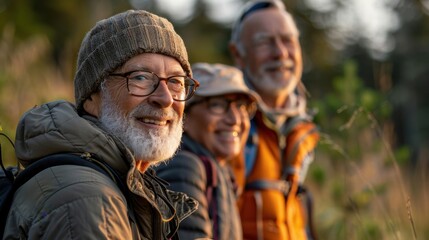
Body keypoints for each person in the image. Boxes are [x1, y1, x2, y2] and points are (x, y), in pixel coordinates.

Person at [3, 10, 200, 239]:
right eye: (141, 77)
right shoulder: (88, 201)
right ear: (92, 97)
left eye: (175, 81)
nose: (165, 98)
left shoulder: (118, 183)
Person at [229, 0, 320, 239]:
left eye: (288, 40)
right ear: (239, 55)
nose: (280, 53)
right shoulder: (224, 126)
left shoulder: (302, 129)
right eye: (264, 42)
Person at [155, 63, 258, 240]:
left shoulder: (218, 171)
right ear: (184, 115)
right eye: (217, 105)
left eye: (241, 106)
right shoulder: (185, 166)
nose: (234, 119)